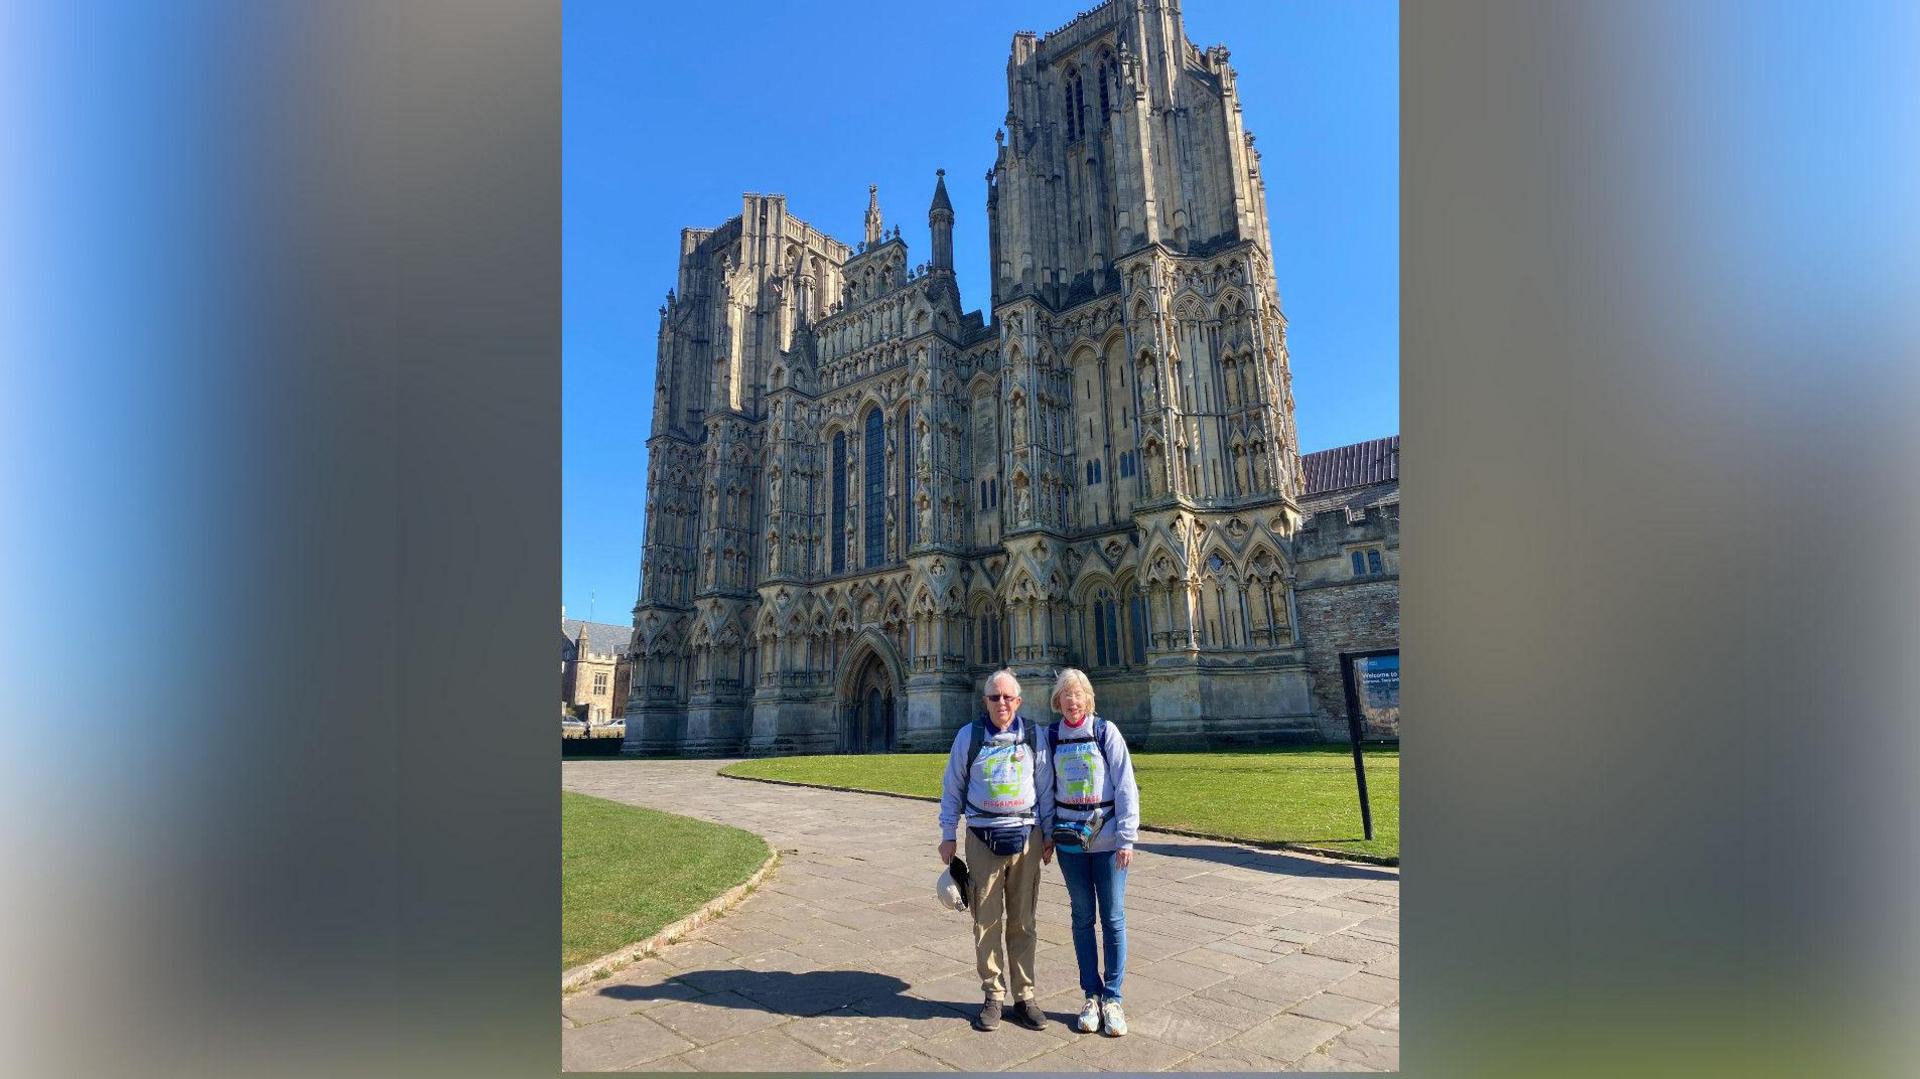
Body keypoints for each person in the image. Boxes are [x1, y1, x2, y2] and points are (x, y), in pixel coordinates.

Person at [938, 668, 1053, 1033]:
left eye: (1007, 697)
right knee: (985, 921)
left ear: (1018, 701)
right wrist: (948, 834)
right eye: (994, 697)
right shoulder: (968, 737)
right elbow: (952, 786)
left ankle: (1025, 996)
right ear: (984, 701)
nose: (1001, 703)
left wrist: (1048, 834)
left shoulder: (1034, 735)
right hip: (982, 839)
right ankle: (993, 995)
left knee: (1023, 921)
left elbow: (1046, 786)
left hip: (1026, 837)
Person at [1039, 668, 1139, 1037]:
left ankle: (1112, 998)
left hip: (1109, 841)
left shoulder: (1105, 731)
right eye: (1065, 695)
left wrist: (1127, 837)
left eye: (1077, 694)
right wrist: (1047, 834)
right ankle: (1090, 995)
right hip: (1070, 843)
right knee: (1082, 917)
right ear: (1057, 700)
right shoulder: (1052, 737)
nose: (1072, 700)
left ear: (1087, 698)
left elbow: (1126, 785)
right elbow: (1046, 788)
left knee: (1112, 918)